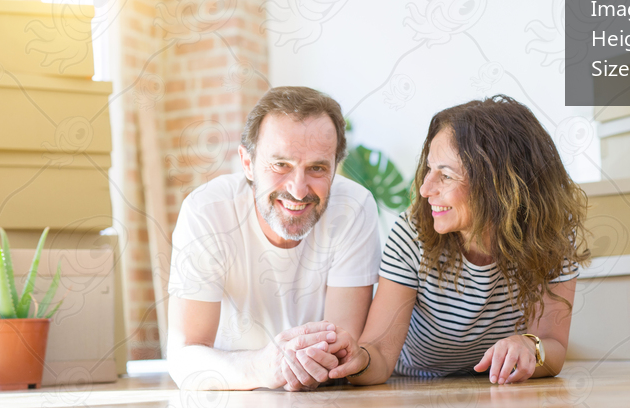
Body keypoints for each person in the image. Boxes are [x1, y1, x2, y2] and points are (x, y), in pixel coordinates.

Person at [324, 95, 590, 384]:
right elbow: (378, 353)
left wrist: (528, 346)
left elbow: (553, 347)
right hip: (414, 388)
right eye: (429, 169)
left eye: (446, 176)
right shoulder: (412, 234)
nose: (425, 189)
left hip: (493, 389)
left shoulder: (550, 237)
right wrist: (359, 359)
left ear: (499, 184)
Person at [166, 86, 381, 391]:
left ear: (335, 168)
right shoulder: (207, 212)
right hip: (232, 399)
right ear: (247, 163)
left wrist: (310, 361)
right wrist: (264, 366)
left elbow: (341, 348)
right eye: (281, 165)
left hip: (326, 402)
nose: (298, 189)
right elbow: (183, 358)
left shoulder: (354, 208)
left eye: (317, 168)